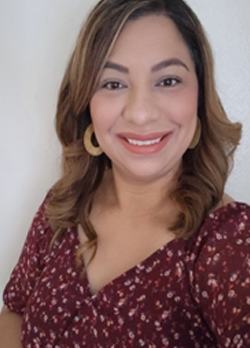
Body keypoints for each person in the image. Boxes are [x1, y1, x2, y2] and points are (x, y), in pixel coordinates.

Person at [0, 0, 250, 346]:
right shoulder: (63, 204)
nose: (141, 113)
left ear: (200, 95)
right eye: (113, 83)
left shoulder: (229, 242)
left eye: (168, 80)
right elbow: (14, 310)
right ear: (87, 103)